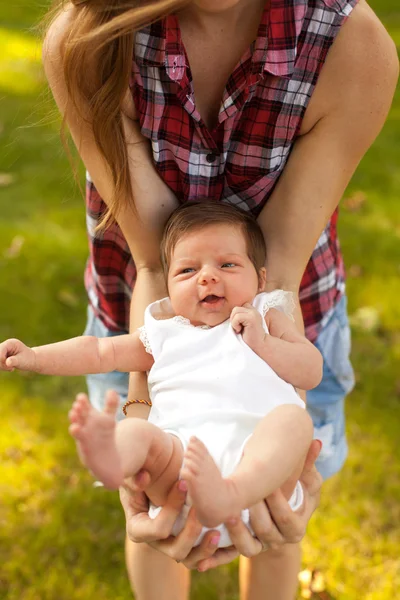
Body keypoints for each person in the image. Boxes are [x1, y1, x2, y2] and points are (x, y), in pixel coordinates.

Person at [40, 0, 398, 597]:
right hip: (143, 324)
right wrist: (140, 413)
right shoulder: (89, 39)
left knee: (271, 526)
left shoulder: (350, 45)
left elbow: (277, 263)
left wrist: (283, 427)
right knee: (162, 521)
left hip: (284, 329)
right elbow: (154, 258)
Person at [0, 203, 321, 547]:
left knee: (293, 422)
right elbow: (99, 351)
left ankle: (230, 491)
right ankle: (112, 459)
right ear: (168, 287)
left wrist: (264, 344)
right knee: (136, 431)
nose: (208, 276)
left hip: (262, 482)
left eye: (227, 264)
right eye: (187, 271)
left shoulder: (264, 316)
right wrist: (34, 356)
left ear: (259, 279)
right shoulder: (165, 333)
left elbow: (311, 371)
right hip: (179, 476)